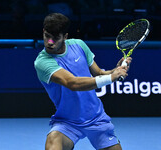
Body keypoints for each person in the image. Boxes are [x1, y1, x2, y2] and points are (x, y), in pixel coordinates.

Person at [34, 13, 132, 150]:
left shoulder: (79, 45)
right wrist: (111, 77)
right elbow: (72, 83)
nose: (50, 42)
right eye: (47, 36)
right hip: (67, 122)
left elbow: (99, 73)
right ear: (43, 32)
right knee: (52, 143)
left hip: (96, 118)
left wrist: (116, 70)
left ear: (65, 37)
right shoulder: (42, 62)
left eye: (55, 38)